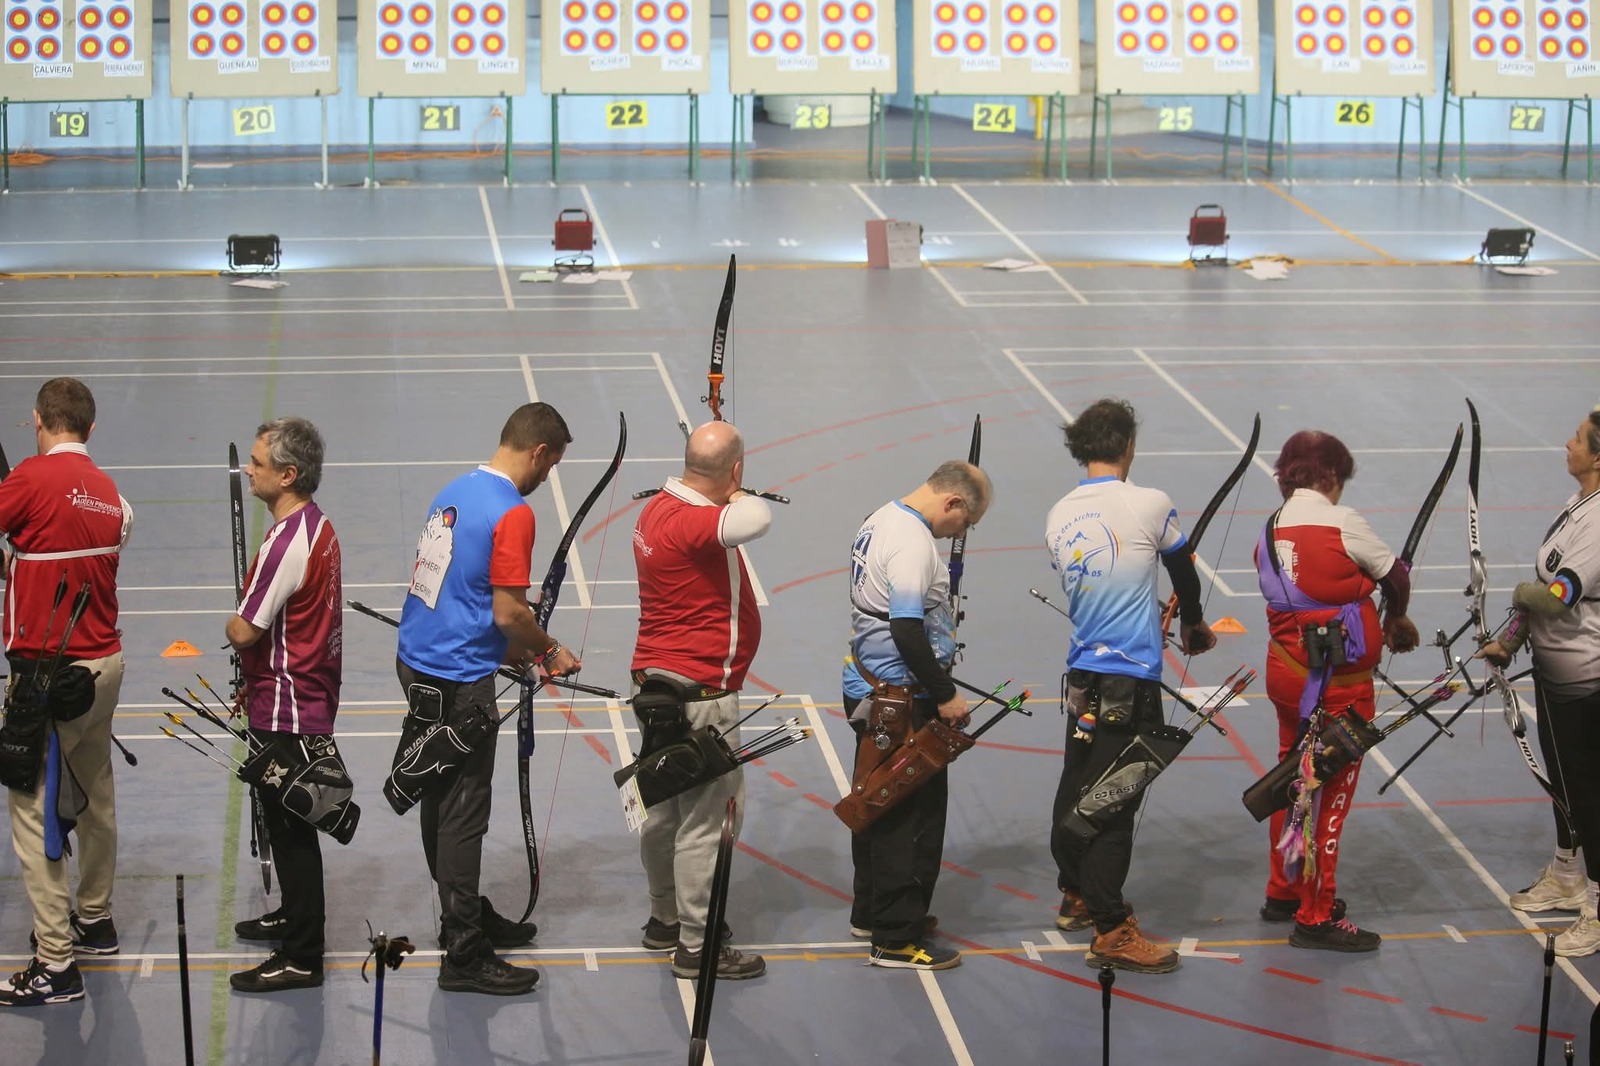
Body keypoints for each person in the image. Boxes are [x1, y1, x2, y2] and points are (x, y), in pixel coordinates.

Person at [396, 402, 576, 996]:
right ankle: (465, 952)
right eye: (551, 466)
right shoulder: (514, 512)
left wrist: (505, 648)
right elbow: (509, 612)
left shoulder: (453, 492)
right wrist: (548, 649)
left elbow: (451, 589)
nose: (547, 477)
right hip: (458, 682)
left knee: (438, 795)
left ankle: (463, 913)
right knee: (464, 811)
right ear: (539, 453)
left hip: (418, 661)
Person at [1044, 398, 1212, 975]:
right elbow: (1183, 570)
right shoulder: (1149, 503)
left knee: (1078, 782)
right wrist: (1193, 623)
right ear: (1128, 446)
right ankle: (1111, 929)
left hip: (1083, 678)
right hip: (1129, 682)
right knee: (1114, 801)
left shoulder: (1059, 514)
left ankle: (1075, 892)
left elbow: (1100, 585)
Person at [1255, 429, 1418, 953]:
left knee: (1292, 778)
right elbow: (1396, 577)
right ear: (1328, 475)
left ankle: (1284, 890)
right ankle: (1315, 914)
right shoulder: (1342, 522)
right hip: (1338, 691)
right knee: (1330, 795)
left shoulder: (1269, 528)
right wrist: (1395, 618)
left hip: (1286, 677)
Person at [0, 378, 132, 1007]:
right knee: (95, 792)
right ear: (91, 427)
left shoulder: (29, 480)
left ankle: (55, 963)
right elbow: (63, 556)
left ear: (37, 420)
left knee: (33, 811)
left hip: (48, 678)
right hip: (104, 669)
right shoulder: (109, 494)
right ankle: (95, 918)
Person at [632, 421, 771, 981]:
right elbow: (757, 516)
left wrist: (724, 488)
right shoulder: (695, 523)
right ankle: (696, 944)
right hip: (701, 696)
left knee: (664, 810)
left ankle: (664, 919)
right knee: (706, 823)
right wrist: (736, 493)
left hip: (657, 689)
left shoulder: (656, 509)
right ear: (735, 470)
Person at [844, 459, 991, 972]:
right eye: (967, 521)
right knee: (908, 815)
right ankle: (895, 937)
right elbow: (906, 629)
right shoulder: (912, 542)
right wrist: (945, 693)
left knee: (878, 800)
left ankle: (872, 911)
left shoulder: (881, 517)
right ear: (952, 502)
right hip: (902, 699)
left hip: (873, 688)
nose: (961, 532)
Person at [226, 418, 345, 993]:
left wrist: (233, 630)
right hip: (301, 692)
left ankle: (302, 954)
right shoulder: (318, 527)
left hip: (288, 706)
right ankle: (294, 917)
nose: (250, 470)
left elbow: (246, 629)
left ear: (288, 474)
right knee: (290, 822)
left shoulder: (284, 544)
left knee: (293, 828)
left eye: (258, 462)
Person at [1483, 409, 1600, 957]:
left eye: (1577, 439)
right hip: (1554, 674)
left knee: (1589, 794)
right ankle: (1567, 875)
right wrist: (1508, 640)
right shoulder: (1577, 506)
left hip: (1586, 679)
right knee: (1563, 785)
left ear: (1597, 456)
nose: (1566, 443)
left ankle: (1597, 908)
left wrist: (1519, 597)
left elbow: (1558, 596)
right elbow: (1543, 580)